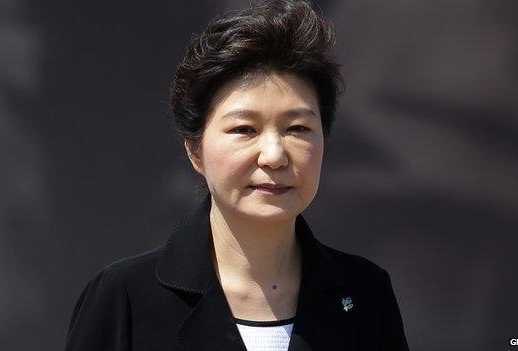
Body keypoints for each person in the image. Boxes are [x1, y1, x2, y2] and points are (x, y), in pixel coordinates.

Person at [64, 1, 409, 350]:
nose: (274, 155)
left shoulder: (365, 294)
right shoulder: (126, 299)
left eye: (298, 128)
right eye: (245, 129)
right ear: (194, 150)